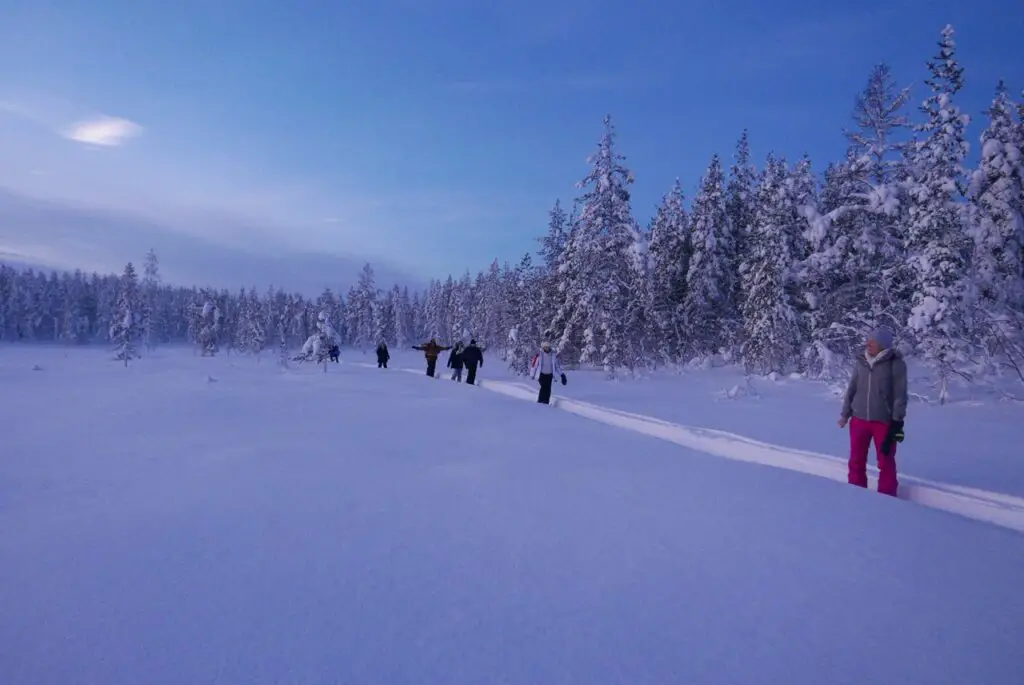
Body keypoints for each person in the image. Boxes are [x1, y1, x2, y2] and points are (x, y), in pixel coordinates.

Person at [838, 326, 908, 497]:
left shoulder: (895, 363)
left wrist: (897, 420)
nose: (868, 344)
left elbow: (900, 393)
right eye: (868, 340)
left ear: (883, 344)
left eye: (873, 341)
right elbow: (852, 388)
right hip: (859, 419)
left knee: (885, 461)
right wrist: (845, 414)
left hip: (883, 421)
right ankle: (856, 493)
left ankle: (887, 497)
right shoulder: (861, 361)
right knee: (856, 460)